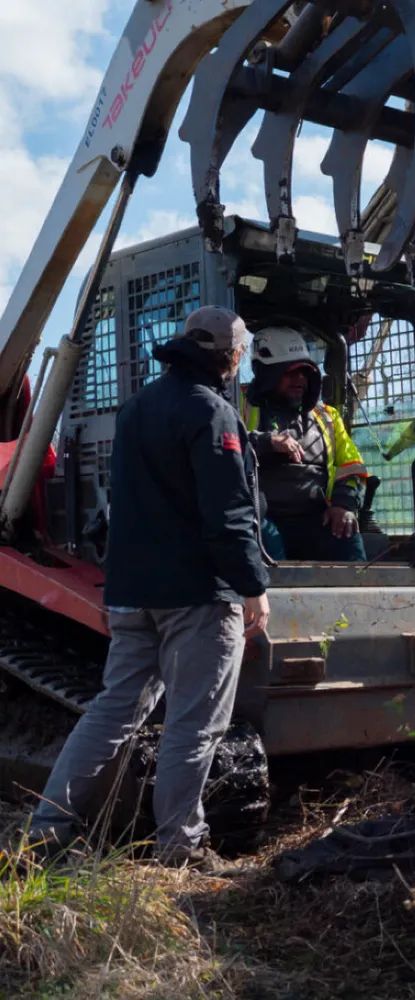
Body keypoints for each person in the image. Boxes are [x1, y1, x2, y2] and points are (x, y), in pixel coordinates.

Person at [28, 306, 270, 869]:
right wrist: (252, 585)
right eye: (240, 351)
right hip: (196, 595)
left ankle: (46, 832)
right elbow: (228, 512)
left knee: (112, 713)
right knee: (195, 723)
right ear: (231, 355)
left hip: (132, 591)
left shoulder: (137, 408)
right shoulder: (212, 412)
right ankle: (181, 847)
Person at [239, 326, 369, 562]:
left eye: (305, 372)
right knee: (264, 540)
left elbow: (352, 467)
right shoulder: (239, 406)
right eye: (290, 372)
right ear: (267, 373)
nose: (300, 379)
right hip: (262, 518)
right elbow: (223, 446)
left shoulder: (327, 417)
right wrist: (267, 442)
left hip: (316, 518)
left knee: (347, 536)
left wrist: (342, 505)